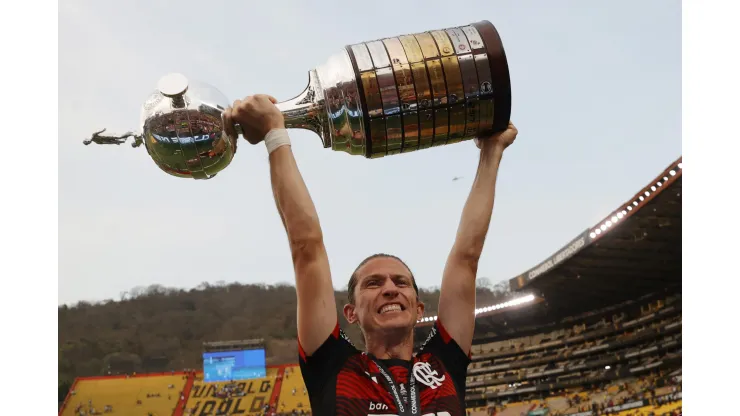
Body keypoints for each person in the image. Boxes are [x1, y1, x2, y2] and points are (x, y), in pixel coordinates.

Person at [225, 95, 517, 416]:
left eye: (401, 282)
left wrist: (492, 152)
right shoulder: (333, 366)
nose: (390, 288)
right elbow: (306, 248)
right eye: (373, 283)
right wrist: (274, 133)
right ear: (350, 313)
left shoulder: (444, 363)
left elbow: (466, 257)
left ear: (418, 308)